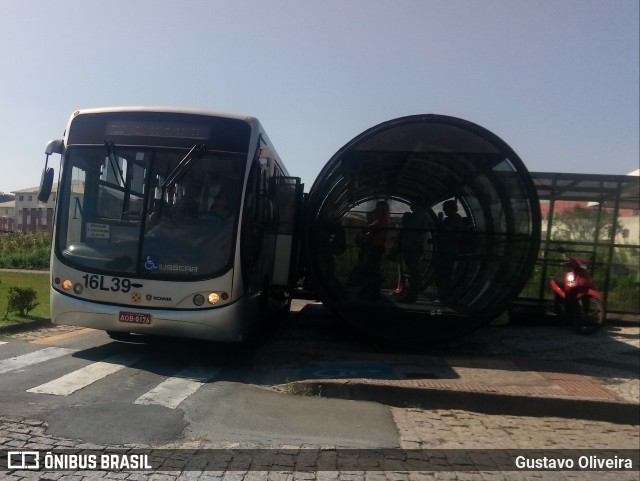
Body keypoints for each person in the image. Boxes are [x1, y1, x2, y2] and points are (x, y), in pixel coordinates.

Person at [397, 201, 431, 303]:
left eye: (412, 204)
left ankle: (411, 295)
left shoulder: (417, 216)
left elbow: (412, 231)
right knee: (413, 271)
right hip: (415, 246)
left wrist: (408, 242)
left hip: (412, 246)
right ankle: (411, 294)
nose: (410, 206)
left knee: (412, 271)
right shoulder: (424, 216)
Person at [357, 200, 390, 299]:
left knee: (371, 268)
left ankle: (371, 290)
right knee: (372, 268)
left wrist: (367, 228)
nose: (376, 209)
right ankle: (371, 289)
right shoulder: (382, 219)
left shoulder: (381, 220)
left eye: (378, 208)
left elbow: (373, 228)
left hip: (376, 247)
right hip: (376, 246)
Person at [434, 199, 465, 302]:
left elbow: (446, 231)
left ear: (450, 208)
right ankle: (444, 295)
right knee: (444, 273)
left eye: (445, 208)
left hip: (447, 250)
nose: (444, 210)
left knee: (444, 273)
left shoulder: (454, 220)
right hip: (448, 249)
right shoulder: (455, 219)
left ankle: (444, 295)